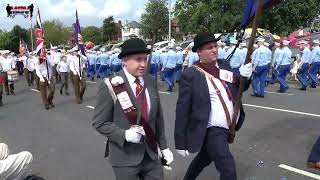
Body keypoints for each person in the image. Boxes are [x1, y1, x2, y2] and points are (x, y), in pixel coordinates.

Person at [92, 38, 173, 180]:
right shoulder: (110, 85)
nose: (143, 64)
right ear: (124, 60)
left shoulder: (150, 81)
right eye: (138, 59)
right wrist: (124, 134)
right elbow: (99, 123)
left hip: (152, 154)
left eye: (145, 59)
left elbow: (158, 118)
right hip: (125, 157)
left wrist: (164, 147)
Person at [175, 32, 252, 180]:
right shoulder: (191, 74)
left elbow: (240, 88)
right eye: (209, 48)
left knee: (203, 159)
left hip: (228, 126)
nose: (214, 50)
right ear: (199, 51)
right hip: (212, 129)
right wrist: (180, 142)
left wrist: (245, 77)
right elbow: (182, 109)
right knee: (227, 167)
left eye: (215, 46)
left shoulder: (224, 64)